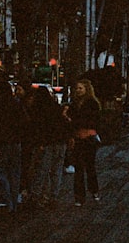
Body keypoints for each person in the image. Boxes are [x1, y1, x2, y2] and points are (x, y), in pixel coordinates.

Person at [0, 80, 24, 215]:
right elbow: (24, 121)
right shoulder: (16, 104)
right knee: (15, 172)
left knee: (1, 171)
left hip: (1, 142)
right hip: (15, 141)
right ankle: (14, 202)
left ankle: (7, 201)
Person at [28, 85, 70, 208]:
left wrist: (39, 143)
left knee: (43, 170)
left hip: (47, 143)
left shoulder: (38, 110)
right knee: (56, 169)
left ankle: (38, 195)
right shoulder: (56, 108)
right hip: (60, 142)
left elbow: (39, 128)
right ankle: (53, 196)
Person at [66, 78, 102, 207]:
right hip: (78, 138)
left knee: (90, 166)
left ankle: (94, 190)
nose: (78, 90)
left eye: (81, 88)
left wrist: (74, 121)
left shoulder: (92, 103)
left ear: (87, 89)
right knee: (79, 168)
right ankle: (79, 196)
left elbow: (92, 120)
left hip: (88, 138)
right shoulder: (74, 103)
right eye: (77, 88)